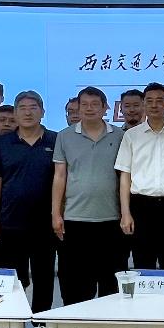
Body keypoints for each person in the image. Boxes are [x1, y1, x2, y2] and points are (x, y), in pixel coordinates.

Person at [0, 90, 58, 313]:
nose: (28, 113)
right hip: (10, 221)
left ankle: (42, 323)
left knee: (44, 277)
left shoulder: (56, 140)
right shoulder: (1, 144)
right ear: (15, 113)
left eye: (33, 108)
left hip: (45, 223)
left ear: (42, 112)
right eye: (22, 108)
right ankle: (12, 322)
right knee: (13, 279)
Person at [52, 86, 125, 304]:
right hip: (75, 219)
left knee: (110, 280)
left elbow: (125, 176)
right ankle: (76, 320)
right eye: (84, 104)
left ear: (105, 108)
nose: (89, 108)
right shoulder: (65, 136)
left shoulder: (120, 136)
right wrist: (56, 213)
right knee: (75, 280)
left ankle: (107, 321)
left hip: (111, 218)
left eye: (95, 104)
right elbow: (60, 176)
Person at [116, 81, 164, 272]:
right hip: (141, 206)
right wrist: (125, 213)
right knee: (143, 262)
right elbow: (125, 176)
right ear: (144, 104)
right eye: (149, 101)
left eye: (159, 100)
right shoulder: (131, 135)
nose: (154, 105)